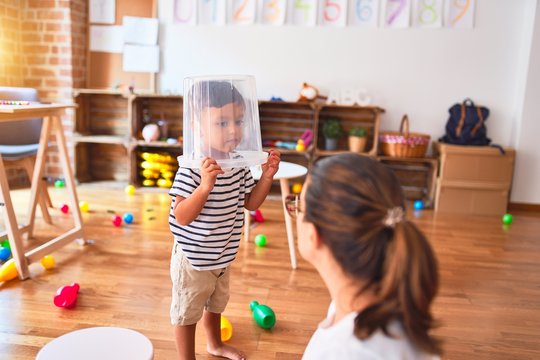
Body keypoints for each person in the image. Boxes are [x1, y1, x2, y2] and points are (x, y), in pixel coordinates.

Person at [285, 153, 442, 359]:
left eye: (299, 207)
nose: (295, 214)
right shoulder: (377, 307)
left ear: (314, 233)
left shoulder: (338, 352)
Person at [169, 81, 280, 360]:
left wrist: (265, 178)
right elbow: (181, 216)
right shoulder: (193, 167)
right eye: (221, 123)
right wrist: (205, 187)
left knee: (216, 304)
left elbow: (250, 203)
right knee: (187, 311)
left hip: (222, 255)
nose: (233, 130)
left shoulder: (238, 164)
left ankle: (214, 344)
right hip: (193, 259)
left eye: (238, 120)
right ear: (197, 126)